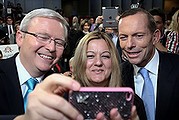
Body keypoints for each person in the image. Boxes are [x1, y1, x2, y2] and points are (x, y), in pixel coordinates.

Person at [0, 8, 69, 119]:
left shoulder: (64, 92)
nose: (51, 48)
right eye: (43, 37)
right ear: (20, 38)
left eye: (59, 42)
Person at [118, 8, 179, 120]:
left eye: (139, 36)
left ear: (155, 37)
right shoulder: (117, 76)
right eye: (124, 37)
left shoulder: (176, 67)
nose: (129, 44)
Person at [72, 31, 147, 120]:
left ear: (113, 62)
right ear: (80, 61)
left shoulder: (132, 103)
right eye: (90, 56)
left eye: (105, 56)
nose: (98, 62)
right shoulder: (65, 100)